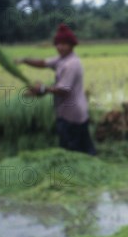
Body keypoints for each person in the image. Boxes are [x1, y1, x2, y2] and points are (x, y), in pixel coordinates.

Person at [16, 24, 96, 156]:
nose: (60, 47)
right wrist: (25, 60)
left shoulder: (72, 64)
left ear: (71, 45)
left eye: (64, 44)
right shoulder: (61, 59)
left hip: (72, 114)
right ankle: (89, 163)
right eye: (58, 44)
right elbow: (43, 63)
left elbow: (64, 90)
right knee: (84, 147)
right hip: (68, 111)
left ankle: (78, 170)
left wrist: (42, 88)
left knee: (72, 150)